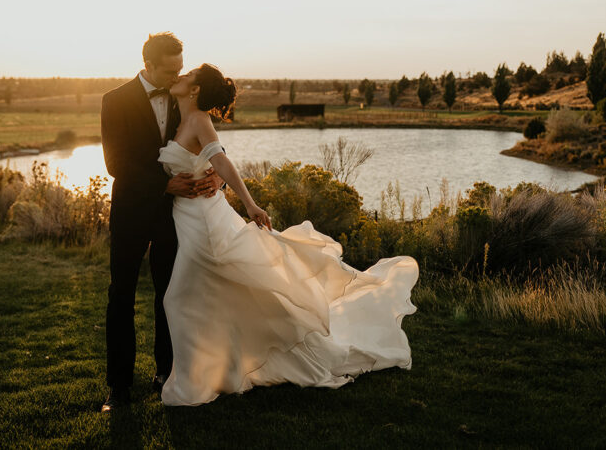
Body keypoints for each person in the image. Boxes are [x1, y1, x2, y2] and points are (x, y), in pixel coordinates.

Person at [158, 64, 419, 406]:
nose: (178, 75)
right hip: (188, 217)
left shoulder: (199, 120)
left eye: (187, 74)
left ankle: (193, 385)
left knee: (179, 298)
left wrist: (249, 204)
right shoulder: (179, 117)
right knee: (217, 296)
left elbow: (221, 161)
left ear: (194, 90)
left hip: (206, 222)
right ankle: (219, 371)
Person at [99, 33, 223, 412]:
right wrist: (163, 182)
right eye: (170, 69)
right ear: (148, 64)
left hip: (174, 214)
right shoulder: (114, 101)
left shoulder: (182, 96)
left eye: (180, 69)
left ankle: (167, 373)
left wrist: (215, 175)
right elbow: (114, 164)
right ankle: (118, 388)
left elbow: (207, 141)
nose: (177, 75)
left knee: (170, 294)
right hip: (132, 210)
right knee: (121, 295)